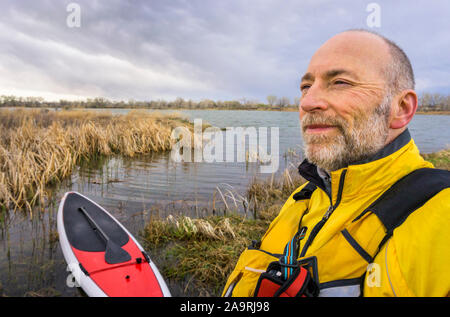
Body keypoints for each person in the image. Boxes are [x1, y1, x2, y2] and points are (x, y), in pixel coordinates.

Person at [222, 29, 450, 297]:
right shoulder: (306, 195)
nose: (308, 102)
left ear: (401, 108)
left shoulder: (441, 215)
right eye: (306, 87)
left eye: (340, 82)